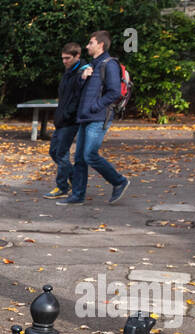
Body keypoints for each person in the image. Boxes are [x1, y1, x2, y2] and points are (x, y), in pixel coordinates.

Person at [59, 30, 130, 205]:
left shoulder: (109, 64)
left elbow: (113, 92)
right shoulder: (93, 65)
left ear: (101, 45)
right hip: (85, 117)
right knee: (80, 159)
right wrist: (83, 79)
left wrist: (95, 106)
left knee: (90, 155)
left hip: (98, 117)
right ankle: (77, 195)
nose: (87, 46)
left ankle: (119, 181)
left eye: (90, 43)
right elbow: (83, 91)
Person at [45, 43, 85, 199]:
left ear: (77, 56)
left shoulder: (81, 72)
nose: (64, 61)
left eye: (68, 58)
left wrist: (68, 115)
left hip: (70, 120)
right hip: (62, 119)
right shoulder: (69, 71)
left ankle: (62, 187)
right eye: (63, 58)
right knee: (54, 152)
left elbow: (77, 98)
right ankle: (76, 181)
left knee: (61, 153)